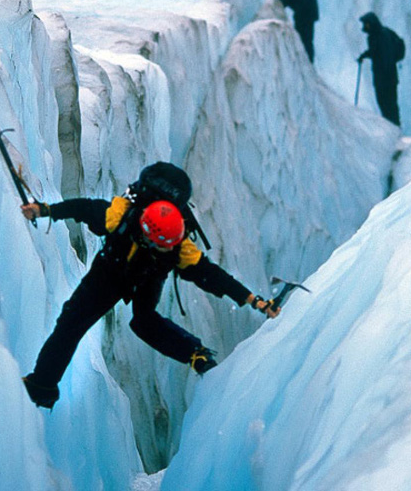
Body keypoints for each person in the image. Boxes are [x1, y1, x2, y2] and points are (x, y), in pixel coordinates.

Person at [20, 162, 279, 409]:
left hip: (145, 277)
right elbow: (84, 208)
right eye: (160, 245)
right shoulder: (120, 216)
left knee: (144, 322)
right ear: (146, 233)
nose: (165, 248)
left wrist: (253, 300)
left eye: (169, 245)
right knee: (71, 322)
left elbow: (212, 275)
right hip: (110, 271)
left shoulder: (177, 246)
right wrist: (45, 210)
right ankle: (41, 387)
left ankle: (195, 355)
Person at [358, 12, 404, 126]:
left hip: (385, 78)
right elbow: (376, 52)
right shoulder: (379, 34)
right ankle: (393, 126)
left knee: (387, 103)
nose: (365, 27)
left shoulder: (381, 36)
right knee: (388, 103)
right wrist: (364, 55)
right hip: (387, 77)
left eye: (366, 24)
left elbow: (384, 56)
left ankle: (394, 127)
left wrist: (384, 75)